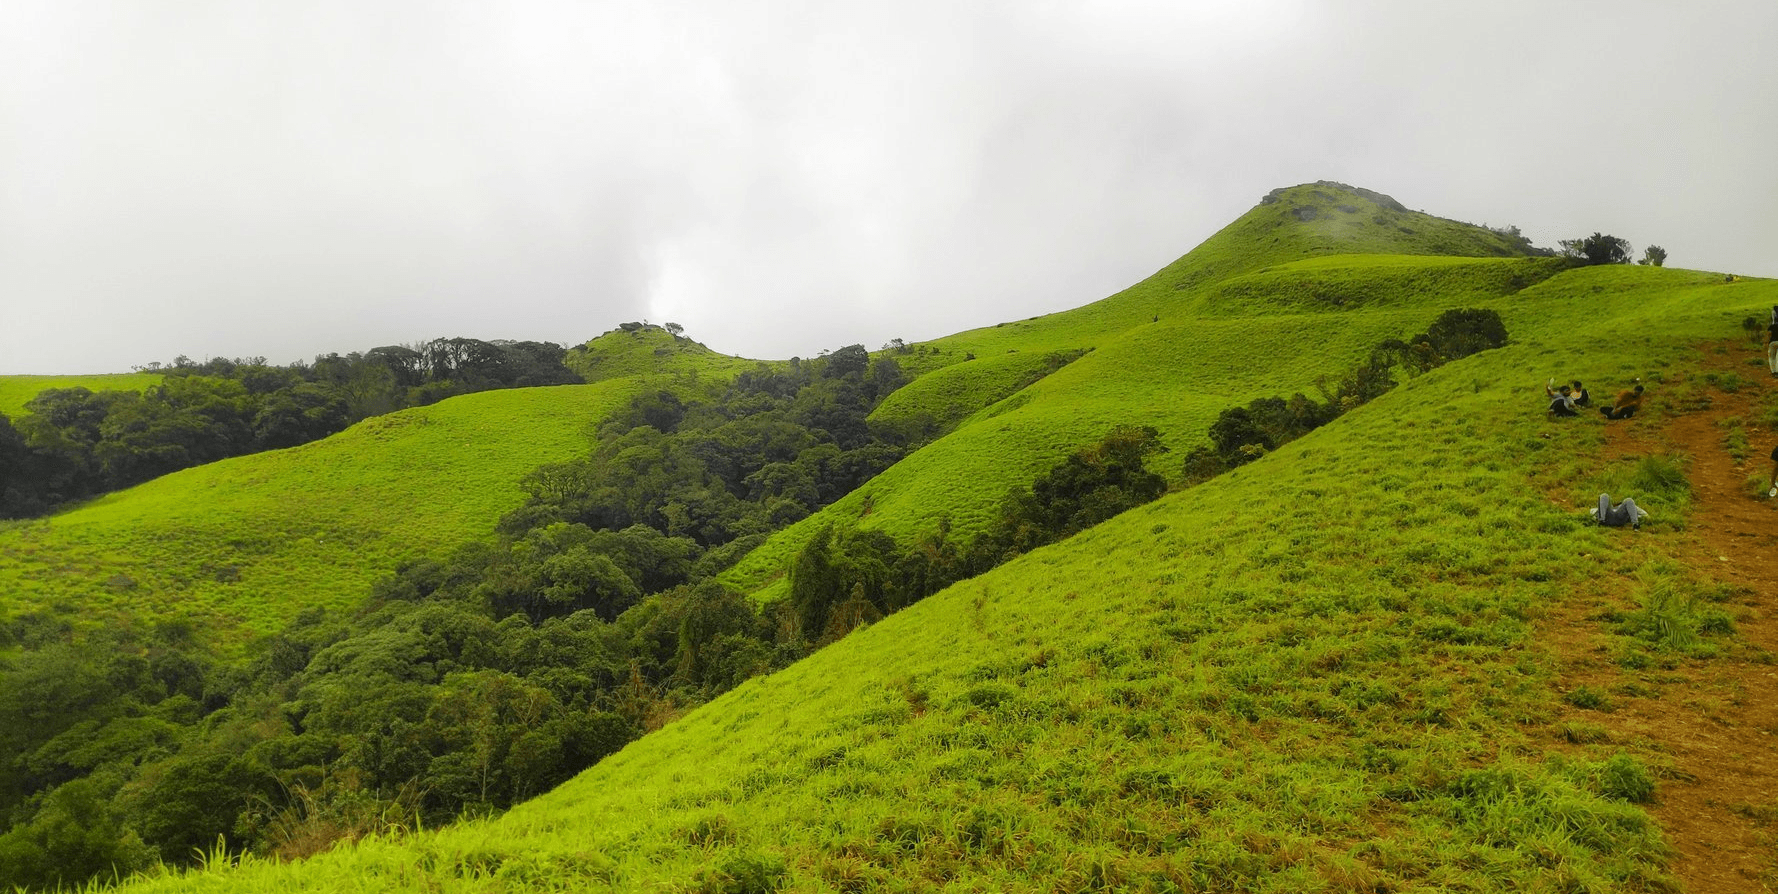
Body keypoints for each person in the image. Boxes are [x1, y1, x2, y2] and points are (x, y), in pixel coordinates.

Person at [1766, 305, 1778, 377]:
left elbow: (1769, 334)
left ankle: (1774, 372)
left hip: (1772, 342)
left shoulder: (1772, 326)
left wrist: (1766, 342)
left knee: (1772, 357)